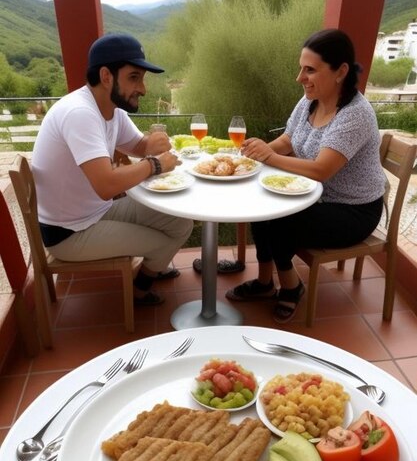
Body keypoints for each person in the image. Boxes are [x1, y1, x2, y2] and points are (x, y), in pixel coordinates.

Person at [226, 28, 386, 323]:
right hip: (316, 196)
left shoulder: (355, 114)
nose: (300, 77)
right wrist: (250, 156)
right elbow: (288, 140)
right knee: (260, 205)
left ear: (340, 72)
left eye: (310, 70)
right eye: (301, 68)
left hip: (353, 210)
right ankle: (264, 283)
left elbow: (321, 169)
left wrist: (269, 157)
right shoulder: (309, 100)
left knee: (282, 219)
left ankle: (291, 286)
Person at [31, 33, 193, 305]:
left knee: (180, 221)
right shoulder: (80, 113)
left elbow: (137, 145)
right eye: (134, 77)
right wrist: (154, 164)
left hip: (94, 213)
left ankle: (153, 265)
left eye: (142, 79)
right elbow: (106, 185)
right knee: (162, 242)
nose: (143, 88)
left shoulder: (111, 110)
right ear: (106, 76)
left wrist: (150, 144)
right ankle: (139, 292)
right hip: (69, 233)